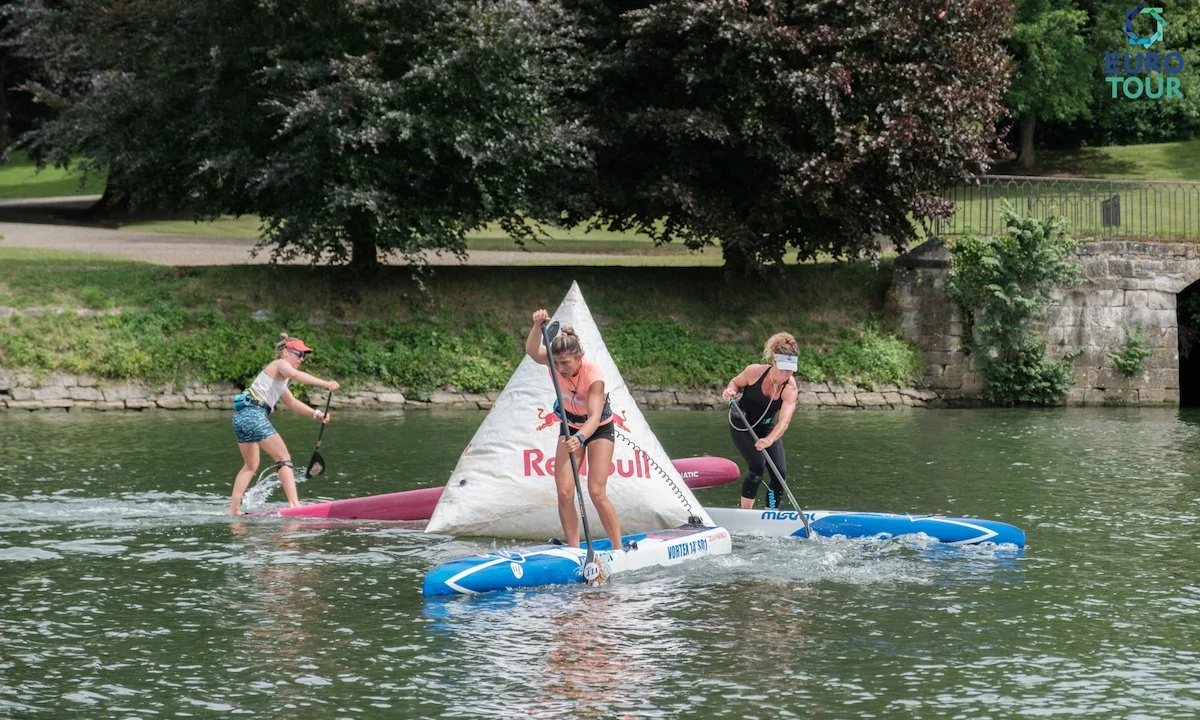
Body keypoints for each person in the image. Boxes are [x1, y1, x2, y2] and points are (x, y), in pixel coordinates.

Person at [526, 309, 626, 553]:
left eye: (566, 363)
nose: (560, 368)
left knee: (596, 491)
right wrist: (537, 326)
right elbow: (532, 351)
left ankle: (618, 549)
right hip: (569, 426)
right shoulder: (554, 362)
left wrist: (580, 438)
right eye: (556, 363)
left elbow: (594, 417)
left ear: (579, 357)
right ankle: (574, 550)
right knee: (564, 492)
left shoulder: (594, 376)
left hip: (598, 429)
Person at [228, 334, 340, 515]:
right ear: (286, 352)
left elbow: (292, 403)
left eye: (304, 356)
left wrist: (316, 414)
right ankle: (295, 506)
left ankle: (233, 509)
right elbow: (295, 374)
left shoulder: (279, 380)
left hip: (240, 417)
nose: (302, 359)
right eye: (299, 354)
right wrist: (325, 384)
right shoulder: (279, 364)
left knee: (250, 465)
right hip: (254, 414)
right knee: (283, 457)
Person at [721, 332, 800, 509]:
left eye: (789, 370)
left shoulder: (790, 389)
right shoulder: (754, 372)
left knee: (779, 474)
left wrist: (769, 439)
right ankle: (745, 513)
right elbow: (735, 383)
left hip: (766, 427)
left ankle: (770, 512)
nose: (785, 374)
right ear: (773, 362)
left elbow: (784, 422)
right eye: (782, 369)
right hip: (742, 422)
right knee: (757, 466)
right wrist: (730, 392)